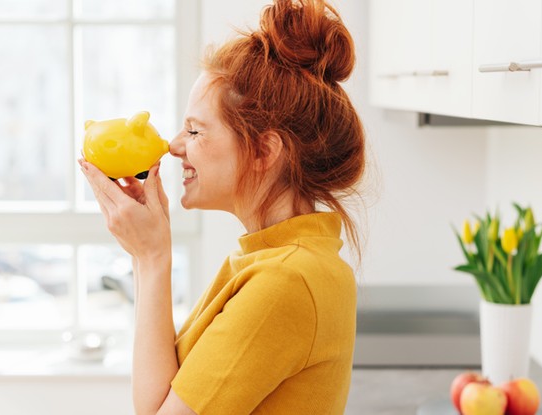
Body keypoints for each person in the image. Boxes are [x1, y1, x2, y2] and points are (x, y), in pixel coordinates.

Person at [79, 0, 365, 413]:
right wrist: (146, 258)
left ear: (264, 150)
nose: (176, 146)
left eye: (195, 130)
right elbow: (161, 399)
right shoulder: (272, 261)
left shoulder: (285, 282)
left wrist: (152, 255)